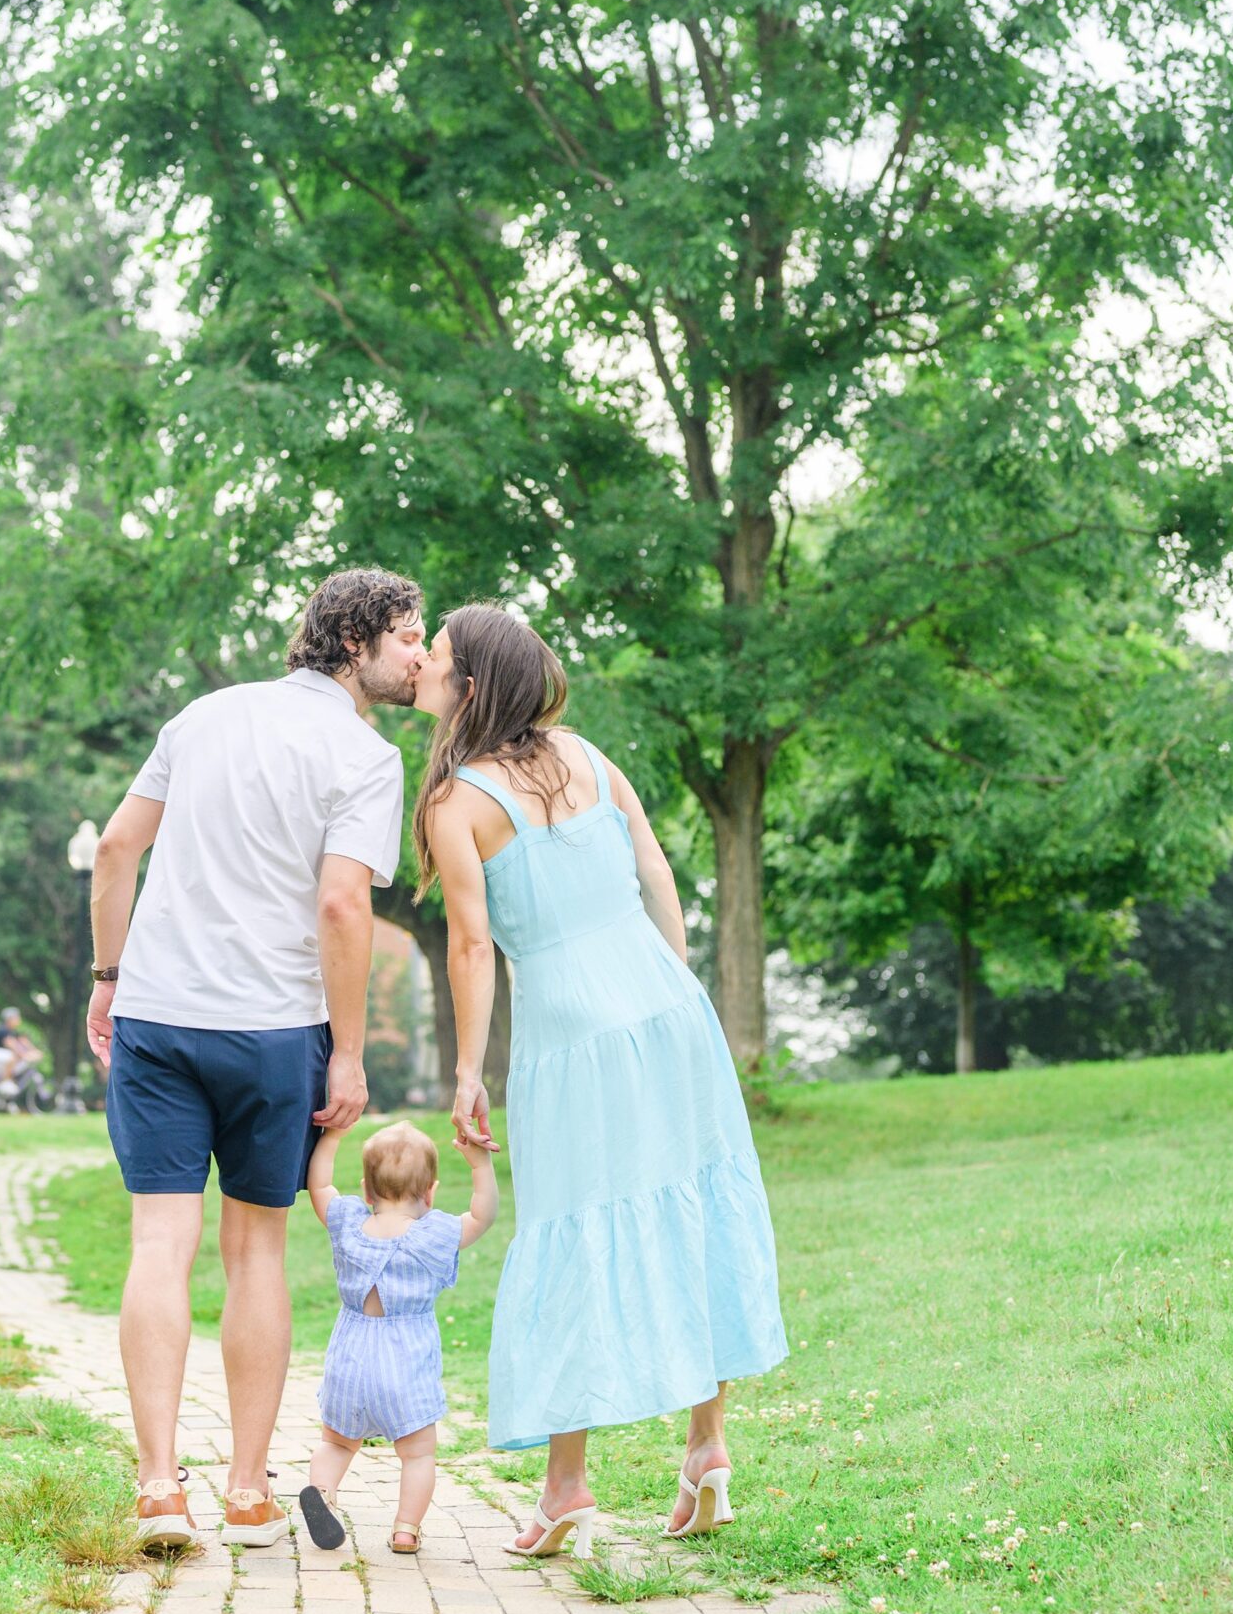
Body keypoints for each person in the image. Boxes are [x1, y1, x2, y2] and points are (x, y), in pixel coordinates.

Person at [415, 605, 788, 1552]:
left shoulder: (456, 802)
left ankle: (567, 1487)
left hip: (570, 1030)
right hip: (664, 1006)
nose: (420, 664)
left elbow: (471, 945)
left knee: (573, 1230)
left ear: (469, 687)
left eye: (438, 657)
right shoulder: (586, 754)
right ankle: (707, 1449)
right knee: (688, 1204)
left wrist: (467, 1070)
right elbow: (654, 867)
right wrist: (675, 991)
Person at [85, 568, 427, 1552]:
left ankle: (156, 1485)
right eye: (407, 635)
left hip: (156, 1013)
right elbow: (339, 904)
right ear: (356, 642)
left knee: (159, 1244)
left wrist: (107, 975)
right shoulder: (362, 754)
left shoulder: (201, 717)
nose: (418, 655)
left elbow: (115, 850)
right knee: (255, 1250)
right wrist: (350, 1053)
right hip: (277, 1028)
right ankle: (242, 1490)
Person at [299, 1119, 499, 1556]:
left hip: (350, 1359)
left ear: (366, 1192)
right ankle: (406, 1529)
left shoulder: (349, 1225)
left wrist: (331, 1137)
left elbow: (320, 1187)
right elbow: (483, 1215)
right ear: (430, 1192)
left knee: (335, 1442)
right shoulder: (434, 1236)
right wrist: (480, 1165)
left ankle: (324, 1493)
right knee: (418, 1454)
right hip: (404, 1363)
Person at [0, 1005, 40, 1097]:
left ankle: (4, 1096)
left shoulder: (13, 1032)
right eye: (16, 1017)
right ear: (9, 1019)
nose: (19, 1020)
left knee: (14, 1067)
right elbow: (13, 1046)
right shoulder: (3, 1030)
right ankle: (5, 1083)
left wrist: (34, 1051)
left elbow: (23, 1042)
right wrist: (25, 1054)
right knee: (12, 1057)